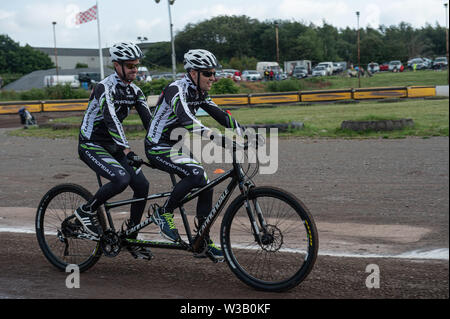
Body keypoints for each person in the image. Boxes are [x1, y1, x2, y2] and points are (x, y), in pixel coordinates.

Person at [145, 49, 245, 260]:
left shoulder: (199, 92)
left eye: (213, 73)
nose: (213, 78)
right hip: (157, 146)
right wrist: (216, 138)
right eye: (208, 73)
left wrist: (243, 132)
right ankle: (163, 214)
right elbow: (187, 119)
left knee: (205, 184)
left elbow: (220, 114)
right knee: (196, 175)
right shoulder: (176, 89)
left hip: (176, 145)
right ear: (193, 73)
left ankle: (202, 239)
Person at [75, 42, 153, 259]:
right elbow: (111, 120)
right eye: (130, 66)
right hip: (92, 144)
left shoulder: (135, 91)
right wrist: (127, 150)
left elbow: (151, 123)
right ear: (116, 65)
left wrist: (163, 147)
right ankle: (86, 211)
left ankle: (131, 237)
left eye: (136, 66)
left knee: (142, 185)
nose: (134, 70)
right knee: (121, 179)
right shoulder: (104, 87)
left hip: (114, 147)